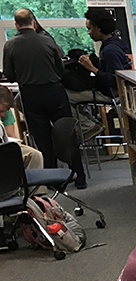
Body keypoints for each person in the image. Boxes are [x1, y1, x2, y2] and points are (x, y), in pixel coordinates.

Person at [2, 8, 87, 187]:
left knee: (42, 138)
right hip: (54, 91)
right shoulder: (48, 42)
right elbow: (61, 70)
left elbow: (9, 75)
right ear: (33, 22)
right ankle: (79, 176)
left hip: (31, 94)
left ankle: (54, 179)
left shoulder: (9, 45)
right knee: (66, 133)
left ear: (16, 25)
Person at [66, 7, 132, 139]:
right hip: (109, 90)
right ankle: (89, 124)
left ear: (99, 28)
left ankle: (88, 127)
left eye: (90, 28)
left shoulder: (110, 51)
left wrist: (92, 68)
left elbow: (115, 80)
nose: (88, 32)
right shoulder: (113, 44)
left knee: (66, 96)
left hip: (111, 94)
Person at [0, 86, 42, 169]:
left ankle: (25, 180)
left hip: (3, 145)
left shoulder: (4, 111)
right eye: (1, 111)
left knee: (35, 155)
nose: (3, 115)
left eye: (6, 111)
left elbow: (11, 136)